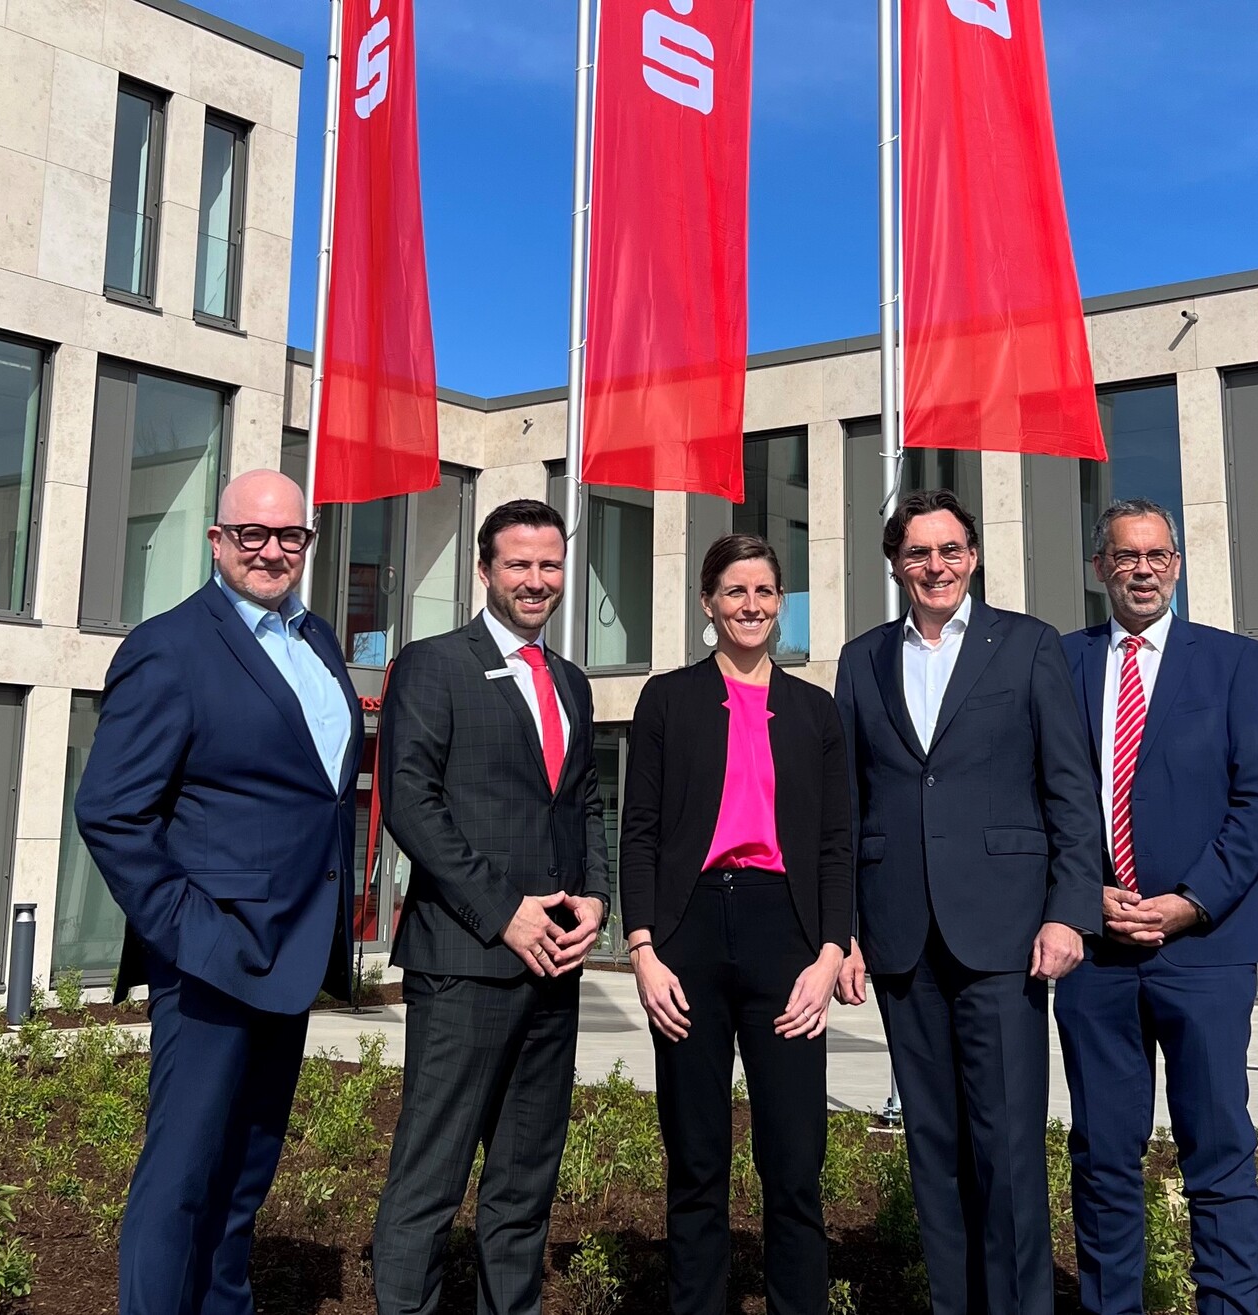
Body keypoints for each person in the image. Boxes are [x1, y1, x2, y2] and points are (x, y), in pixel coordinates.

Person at [75, 469, 360, 1315]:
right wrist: (186, 930)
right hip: (210, 956)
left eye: (289, 535)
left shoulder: (317, 640)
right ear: (216, 540)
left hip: (292, 950)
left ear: (307, 543)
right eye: (251, 534)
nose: (271, 550)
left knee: (243, 1177)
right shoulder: (169, 646)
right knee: (182, 1178)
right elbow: (111, 810)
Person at [833, 489, 1103, 1315]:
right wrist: (844, 931)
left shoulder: (1026, 645)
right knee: (933, 1145)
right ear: (896, 564)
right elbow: (845, 805)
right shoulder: (861, 658)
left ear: (974, 557)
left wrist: (1069, 909)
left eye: (950, 550)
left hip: (1005, 934)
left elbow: (1070, 789)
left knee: (1009, 1147)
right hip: (900, 936)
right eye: (918, 552)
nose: (936, 566)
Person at [371, 499, 613, 1315]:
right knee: (429, 1178)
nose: (536, 580)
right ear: (484, 570)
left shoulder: (571, 682)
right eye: (519, 564)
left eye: (550, 564)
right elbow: (412, 804)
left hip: (554, 967)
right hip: (464, 962)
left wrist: (597, 895)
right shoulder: (433, 664)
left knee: (523, 1182)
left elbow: (581, 805)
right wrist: (505, 910)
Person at [1057, 498, 1258, 1315]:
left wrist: (1190, 901)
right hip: (1097, 953)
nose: (1143, 569)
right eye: (1126, 555)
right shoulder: (1062, 662)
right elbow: (1036, 796)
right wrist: (1080, 893)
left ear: (1178, 565)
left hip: (1206, 949)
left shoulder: (1231, 661)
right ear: (1100, 568)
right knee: (1101, 1154)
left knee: (1218, 1150)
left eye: (1157, 554)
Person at [621, 535, 854, 1315]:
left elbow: (835, 842)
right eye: (734, 591)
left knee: (794, 1161)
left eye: (763, 591)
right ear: (708, 602)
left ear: (780, 602)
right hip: (687, 935)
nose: (750, 605)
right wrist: (643, 949)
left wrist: (830, 952)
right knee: (695, 1160)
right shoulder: (667, 700)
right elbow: (640, 833)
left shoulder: (815, 711)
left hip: (784, 935)